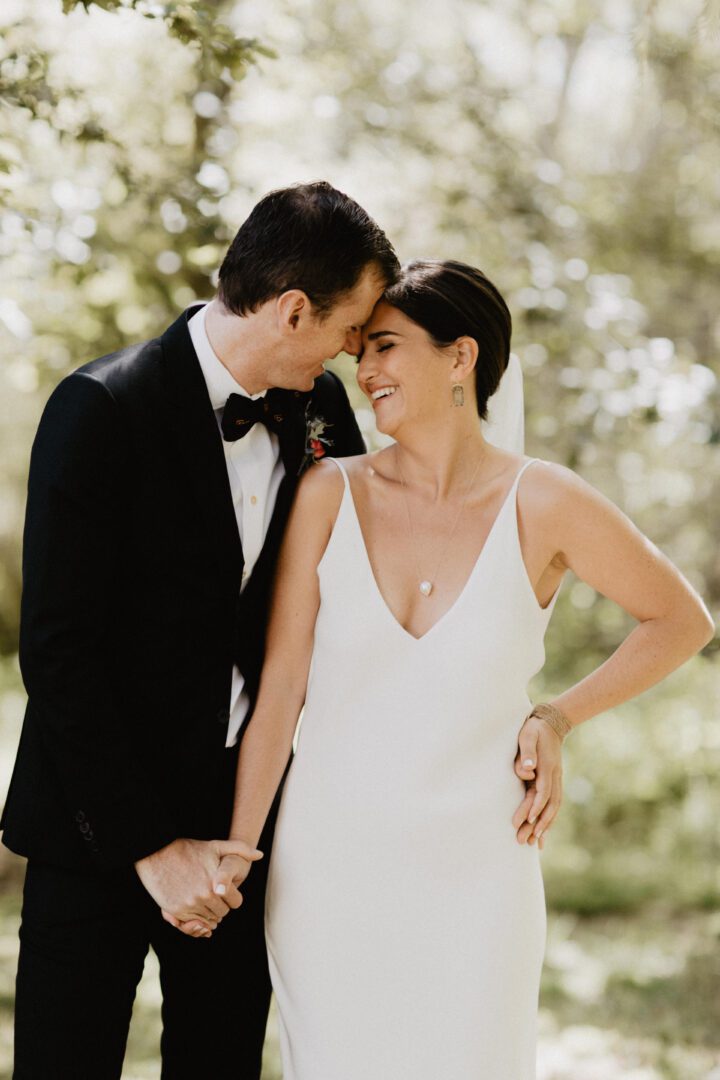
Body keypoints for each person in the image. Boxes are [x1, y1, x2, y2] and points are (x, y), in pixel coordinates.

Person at [191, 259, 715, 1079]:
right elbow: (281, 690)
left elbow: (683, 619)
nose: (362, 370)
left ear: (460, 357)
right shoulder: (329, 492)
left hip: (480, 877)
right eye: (360, 349)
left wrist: (557, 716)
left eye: (387, 346)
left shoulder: (544, 502)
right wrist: (238, 848)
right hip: (329, 874)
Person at [0, 180, 400, 1079]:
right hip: (95, 828)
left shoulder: (325, 417)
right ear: (295, 310)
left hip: (244, 831)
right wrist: (151, 845)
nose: (354, 352)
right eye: (350, 328)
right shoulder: (100, 408)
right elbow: (59, 653)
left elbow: (355, 603)